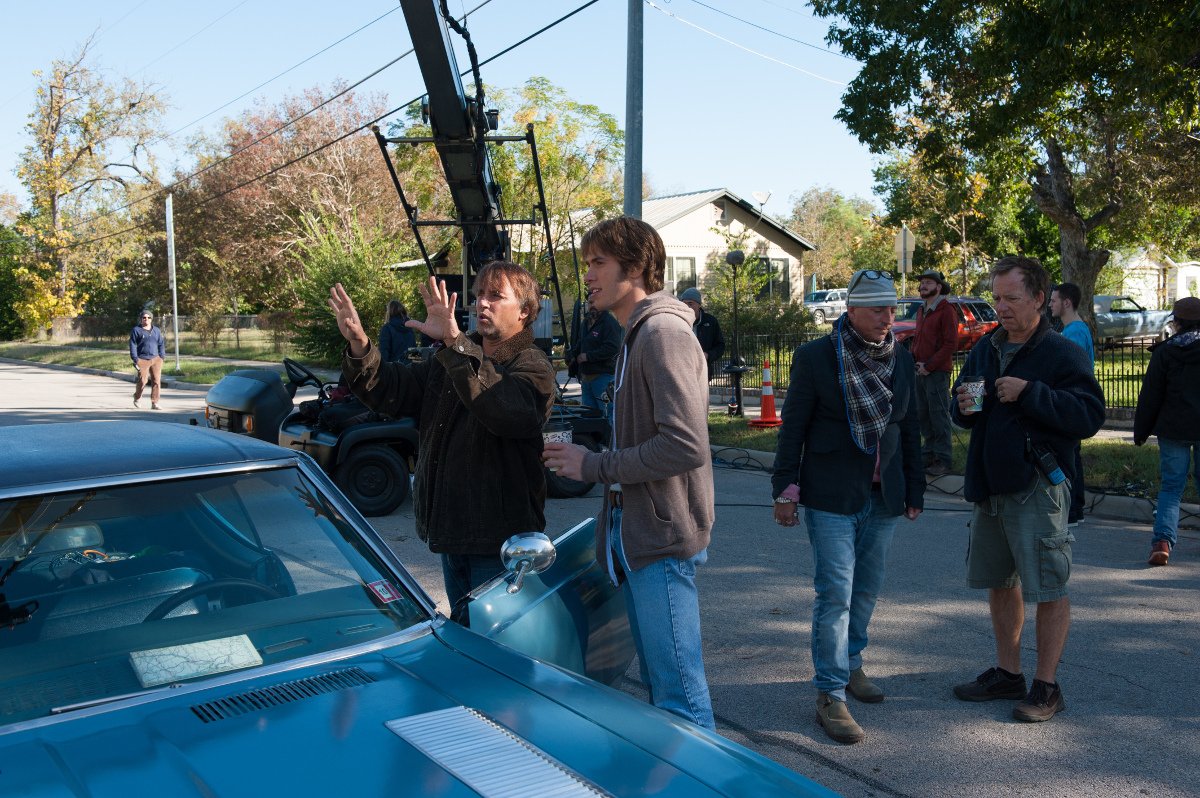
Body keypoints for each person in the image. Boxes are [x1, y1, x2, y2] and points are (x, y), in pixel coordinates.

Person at [543, 217, 716, 730]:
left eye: (598, 263)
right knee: (665, 693)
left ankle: (701, 773)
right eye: (587, 263)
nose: (588, 276)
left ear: (636, 267)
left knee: (681, 700)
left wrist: (593, 465)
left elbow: (684, 445)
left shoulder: (663, 334)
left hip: (662, 541)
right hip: (639, 536)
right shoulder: (636, 334)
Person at [328, 263, 556, 623]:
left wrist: (456, 343)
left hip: (499, 545)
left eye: (496, 296)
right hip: (452, 536)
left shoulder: (533, 365)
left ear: (524, 311)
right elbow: (392, 389)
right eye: (479, 294)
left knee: (494, 644)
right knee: (464, 638)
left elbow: (503, 408)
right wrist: (360, 345)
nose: (482, 303)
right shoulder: (450, 360)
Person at [771, 269, 925, 745]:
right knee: (835, 593)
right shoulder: (817, 356)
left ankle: (852, 662)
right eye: (878, 309)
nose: (888, 317)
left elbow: (909, 426)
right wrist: (785, 488)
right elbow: (794, 425)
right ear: (851, 311)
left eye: (892, 309)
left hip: (884, 494)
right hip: (830, 493)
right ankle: (830, 692)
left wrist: (915, 489)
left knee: (866, 590)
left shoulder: (900, 358)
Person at [950, 256, 1104, 723]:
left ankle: (1046, 686)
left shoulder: (1062, 352)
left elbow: (1089, 416)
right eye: (996, 298)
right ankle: (1008, 673)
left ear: (1039, 299)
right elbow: (963, 405)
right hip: (990, 485)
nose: (1001, 307)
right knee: (1000, 583)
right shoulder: (986, 347)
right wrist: (963, 406)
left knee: (1049, 587)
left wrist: (1031, 392)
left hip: (1037, 485)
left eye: (1011, 298)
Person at [1133, 297, 1200, 566]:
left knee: (1172, 487)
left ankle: (1162, 542)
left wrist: (1141, 431)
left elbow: (1151, 396)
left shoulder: (1165, 352)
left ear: (1177, 322)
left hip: (1173, 428)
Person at [1049, 282, 1095, 526]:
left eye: (1054, 300)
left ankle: (1073, 509)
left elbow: (1071, 370)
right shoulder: (1074, 329)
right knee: (1071, 454)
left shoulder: (1074, 332)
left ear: (1066, 303)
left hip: (1071, 399)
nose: (1050, 305)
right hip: (1073, 398)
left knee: (1069, 456)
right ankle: (1075, 508)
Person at [910, 269, 959, 476]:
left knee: (938, 416)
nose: (923, 286)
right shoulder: (922, 310)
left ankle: (943, 459)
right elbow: (919, 339)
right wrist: (914, 360)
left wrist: (929, 366)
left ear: (939, 287)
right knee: (924, 416)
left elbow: (951, 344)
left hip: (937, 373)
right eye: (922, 283)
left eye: (928, 283)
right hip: (920, 371)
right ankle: (928, 456)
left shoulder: (946, 310)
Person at [567, 300, 621, 421]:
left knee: (608, 415)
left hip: (603, 378)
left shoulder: (609, 323)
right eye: (590, 303)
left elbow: (612, 349)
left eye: (596, 303)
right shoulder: (586, 321)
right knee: (589, 415)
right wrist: (574, 356)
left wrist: (588, 356)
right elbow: (581, 341)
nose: (593, 306)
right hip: (586, 378)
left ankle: (610, 434)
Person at [680, 287, 725, 380]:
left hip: (703, 372)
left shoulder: (711, 322)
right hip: (682, 371)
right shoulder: (678, 321)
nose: (687, 307)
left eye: (690, 303)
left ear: (699, 305)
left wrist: (708, 355)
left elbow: (720, 346)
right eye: (684, 303)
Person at [129, 309, 166, 410]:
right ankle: (137, 397)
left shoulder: (156, 330)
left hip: (156, 358)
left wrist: (161, 356)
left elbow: (161, 343)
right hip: (142, 359)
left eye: (148, 317)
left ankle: (155, 402)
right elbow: (133, 345)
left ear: (151, 319)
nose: (146, 319)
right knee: (142, 380)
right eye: (144, 318)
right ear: (141, 319)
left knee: (156, 381)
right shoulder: (136, 330)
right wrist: (135, 358)